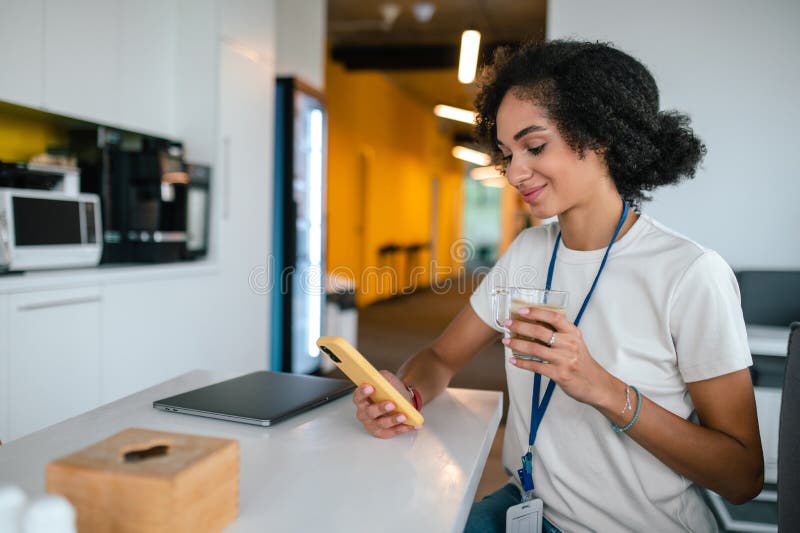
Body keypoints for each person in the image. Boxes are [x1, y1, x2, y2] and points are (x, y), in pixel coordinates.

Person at [351, 40, 763, 532]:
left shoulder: (690, 274)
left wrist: (603, 389)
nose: (515, 173)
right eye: (507, 154)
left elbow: (742, 477)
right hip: (532, 507)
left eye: (535, 146)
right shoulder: (528, 252)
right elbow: (440, 359)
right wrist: (405, 397)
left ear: (601, 136)